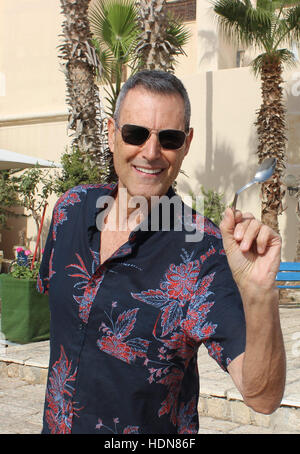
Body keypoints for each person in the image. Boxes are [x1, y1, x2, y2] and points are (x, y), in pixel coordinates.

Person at [38, 69, 286, 435]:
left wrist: (260, 295)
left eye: (168, 139)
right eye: (135, 134)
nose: (151, 153)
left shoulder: (202, 250)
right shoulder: (69, 211)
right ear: (111, 133)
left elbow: (262, 397)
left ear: (186, 143)